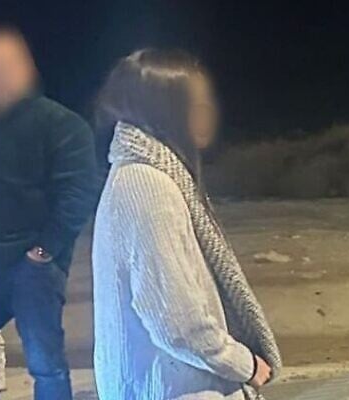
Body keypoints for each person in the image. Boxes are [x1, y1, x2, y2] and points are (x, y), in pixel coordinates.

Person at [92, 48, 282, 400]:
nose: (207, 111)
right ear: (163, 109)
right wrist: (244, 364)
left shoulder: (151, 176)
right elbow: (176, 319)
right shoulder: (146, 186)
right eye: (195, 102)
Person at [0, 26, 98, 400]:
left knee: (45, 364)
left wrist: (43, 252)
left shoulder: (63, 125)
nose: (0, 75)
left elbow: (78, 193)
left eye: (8, 64)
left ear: (27, 66)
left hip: (34, 267)